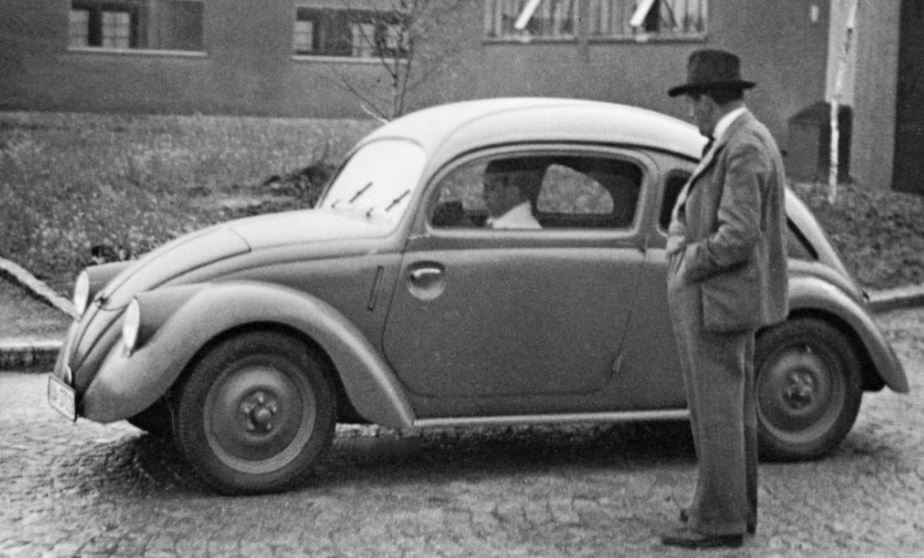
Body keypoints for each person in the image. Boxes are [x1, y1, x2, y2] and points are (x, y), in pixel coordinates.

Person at [661, 49, 789, 550]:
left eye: (692, 101)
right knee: (731, 413)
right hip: (725, 300)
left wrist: (690, 260)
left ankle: (718, 520)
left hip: (718, 301)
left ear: (709, 101)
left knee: (716, 413)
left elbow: (737, 235)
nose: (689, 112)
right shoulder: (743, 140)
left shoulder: (743, 146)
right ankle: (731, 508)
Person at [482, 158, 544, 229]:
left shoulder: (521, 229)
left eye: (490, 188)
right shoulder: (501, 222)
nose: (483, 196)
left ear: (514, 191)